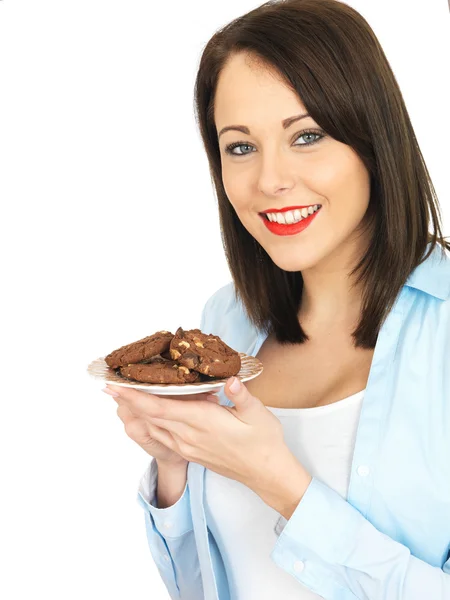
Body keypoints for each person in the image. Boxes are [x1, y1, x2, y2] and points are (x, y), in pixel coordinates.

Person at [102, 0, 450, 598]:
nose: (269, 180)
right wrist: (173, 465)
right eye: (241, 147)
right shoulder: (226, 323)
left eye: (307, 135)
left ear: (373, 135)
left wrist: (281, 483)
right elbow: (202, 585)